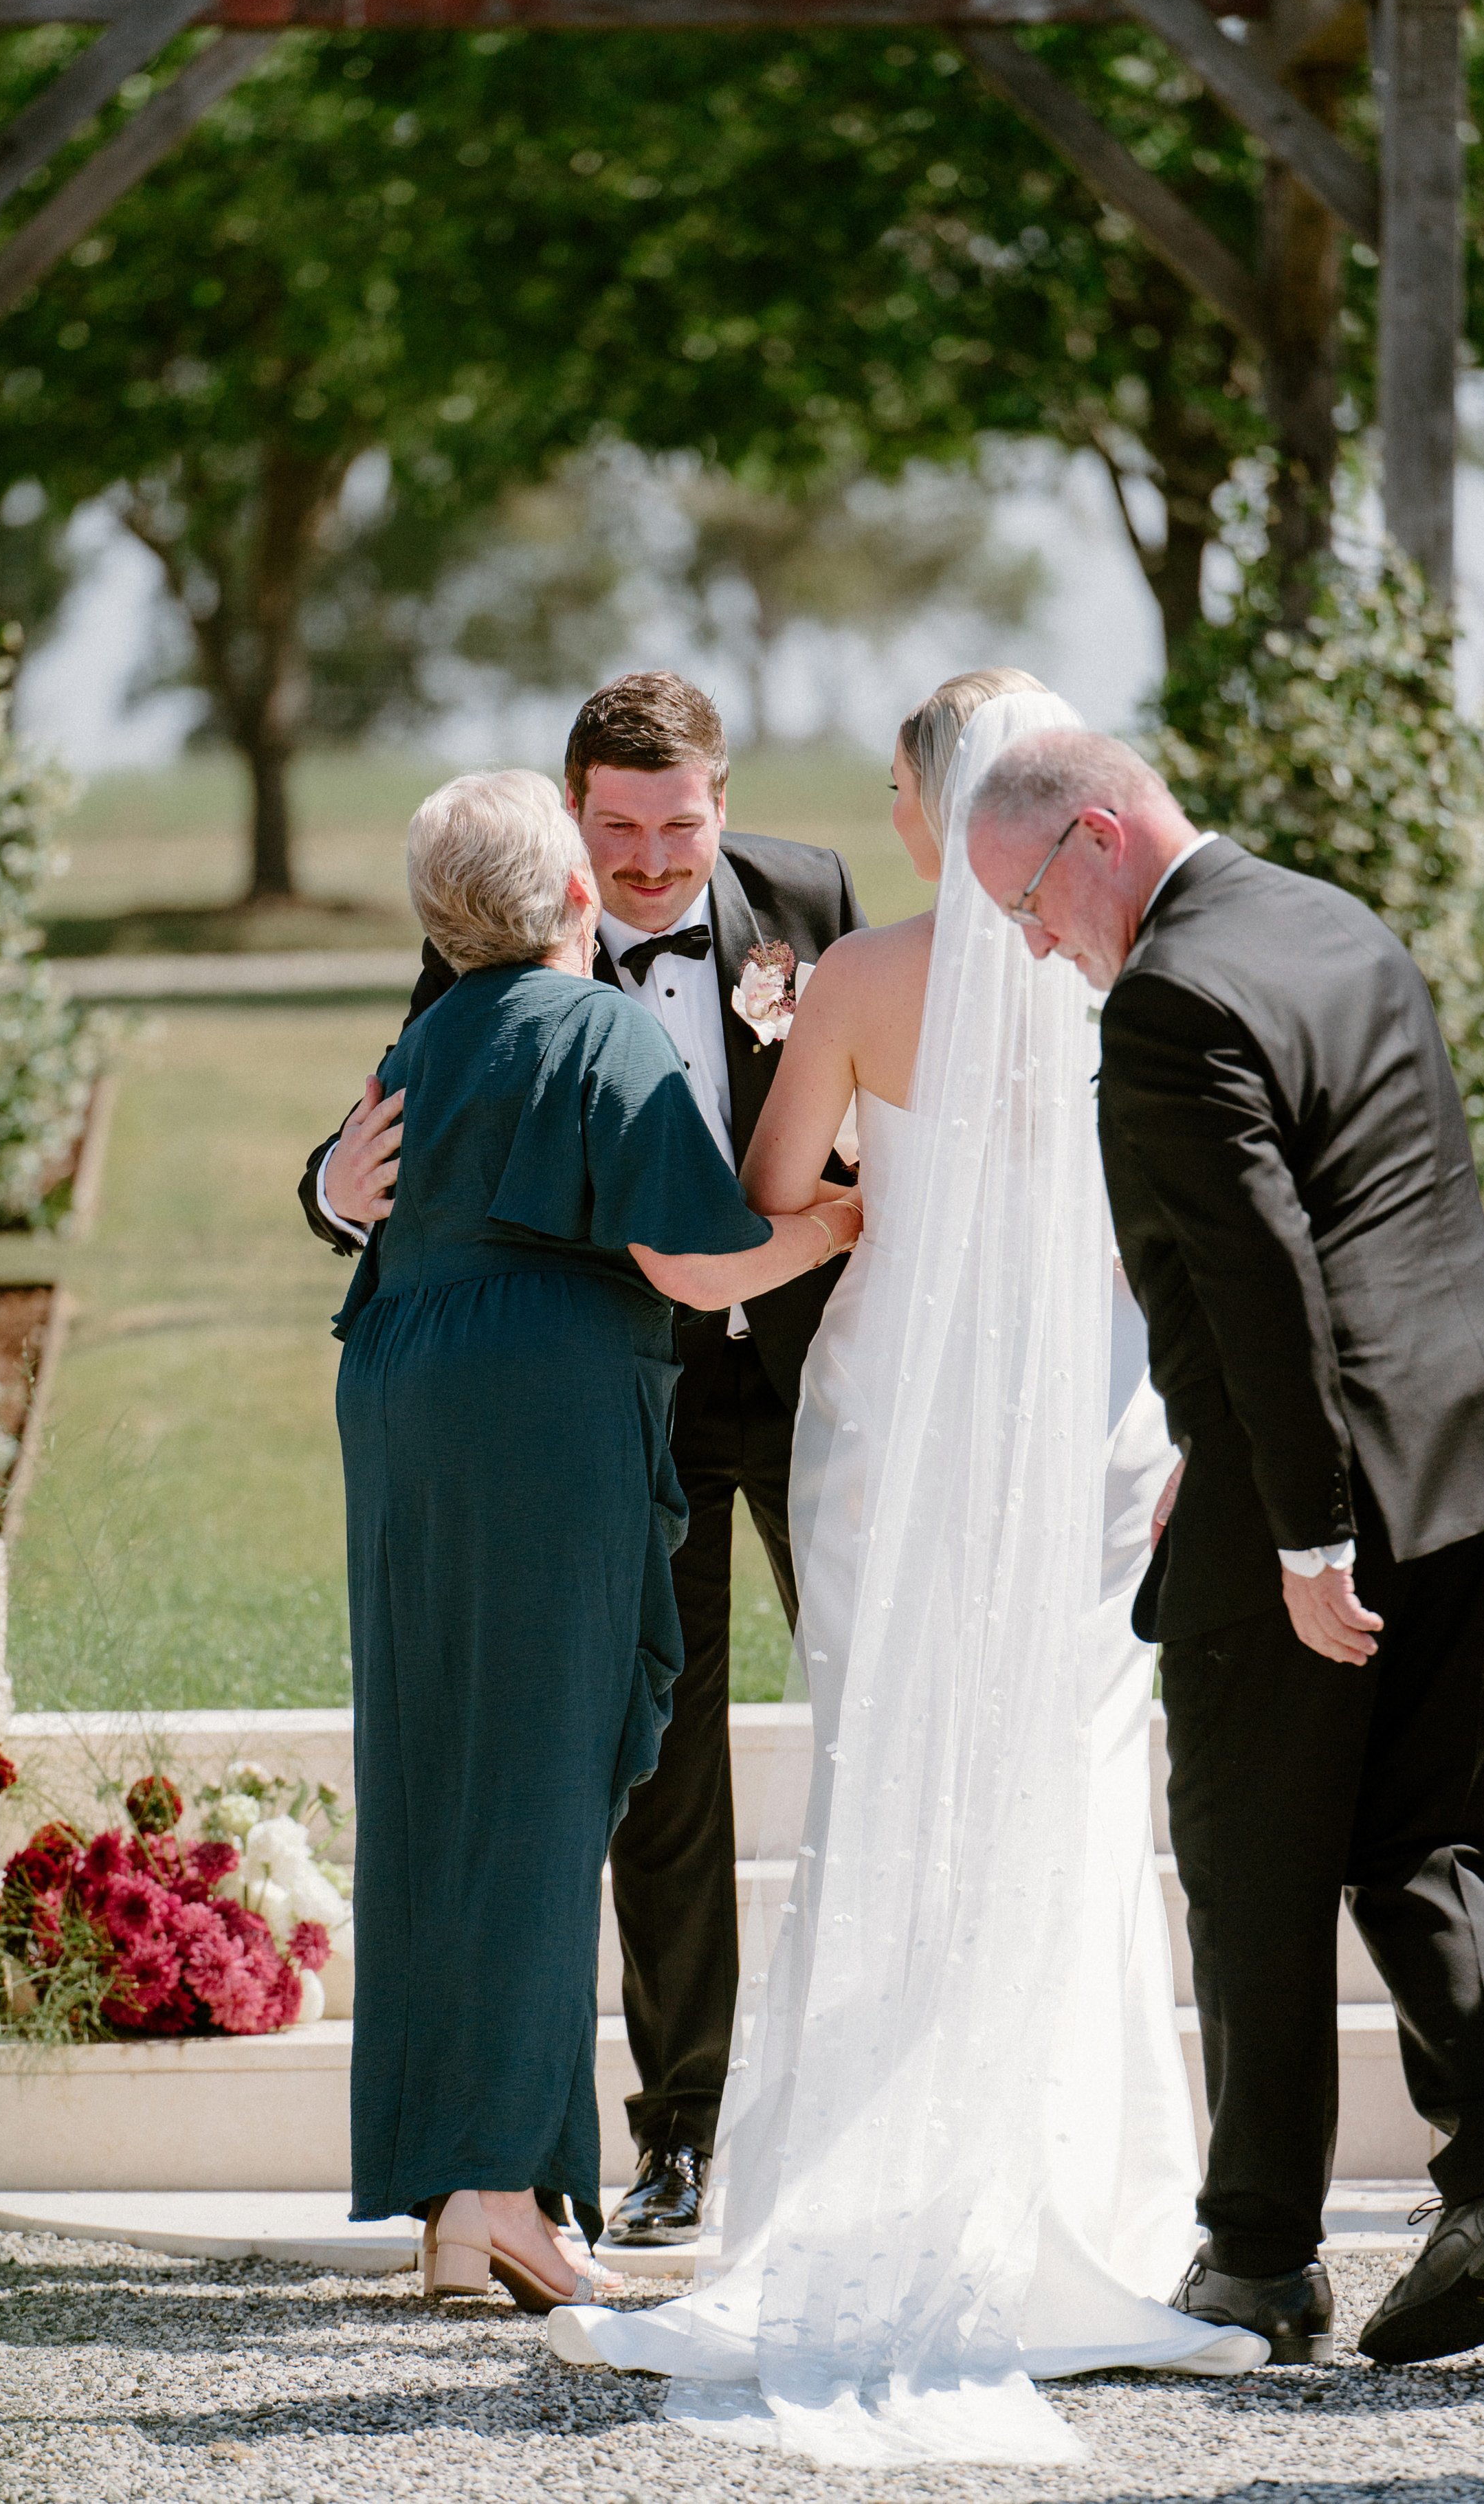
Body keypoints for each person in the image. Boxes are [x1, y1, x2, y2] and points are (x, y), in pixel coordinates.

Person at [548, 677, 1264, 2463]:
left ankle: (845, 2169)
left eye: (892, 789)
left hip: (877, 1425)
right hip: (1087, 1423)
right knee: (1071, 1785)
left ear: (934, 809)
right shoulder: (1133, 981)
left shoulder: (861, 977)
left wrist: (874, 1181)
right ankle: (1086, 2187)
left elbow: (781, 1178)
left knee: (886, 1782)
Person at [964, 731, 1484, 2369]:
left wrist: (1302, 1533)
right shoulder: (1335, 920)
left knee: (1248, 1871)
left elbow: (1258, 1280)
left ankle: (1256, 2261)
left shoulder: (1165, 999)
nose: (1033, 942)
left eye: (1027, 902)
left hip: (1325, 1497)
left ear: (1096, 836)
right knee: (1425, 1842)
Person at [302, 673, 865, 2247]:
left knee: (881, 1713)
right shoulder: (490, 942)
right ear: (566, 833)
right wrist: (334, 1188)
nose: (648, 861)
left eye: (678, 824)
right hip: (621, 1405)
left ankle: (882, 2114)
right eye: (613, 831)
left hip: (822, 1379)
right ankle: (674, 2137)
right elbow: (414, 1123)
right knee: (655, 1769)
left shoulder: (809, 900)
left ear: (722, 799)